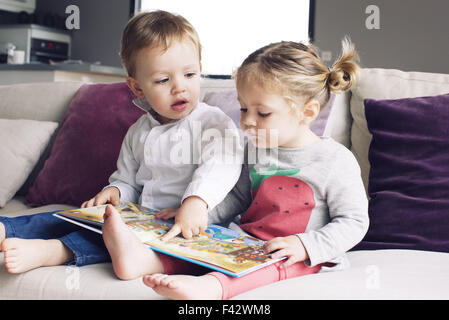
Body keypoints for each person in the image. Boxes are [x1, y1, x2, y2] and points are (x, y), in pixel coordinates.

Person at [0, 10, 243, 277]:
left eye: (190, 74)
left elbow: (222, 164)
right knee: (66, 216)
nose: (179, 88)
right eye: (163, 80)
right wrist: (115, 191)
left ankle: (57, 251)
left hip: (186, 225)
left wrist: (197, 201)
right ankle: (7, 228)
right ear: (138, 88)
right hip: (140, 215)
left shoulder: (212, 123)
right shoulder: (139, 131)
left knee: (116, 240)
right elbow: (128, 180)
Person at [139, 38, 370, 300]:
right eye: (244, 108)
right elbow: (238, 196)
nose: (247, 121)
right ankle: (150, 261)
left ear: (307, 112)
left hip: (299, 256)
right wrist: (200, 215)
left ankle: (212, 288)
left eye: (262, 113)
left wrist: (305, 245)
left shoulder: (335, 160)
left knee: (271, 265)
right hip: (248, 242)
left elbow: (354, 222)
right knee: (202, 247)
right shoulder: (257, 148)